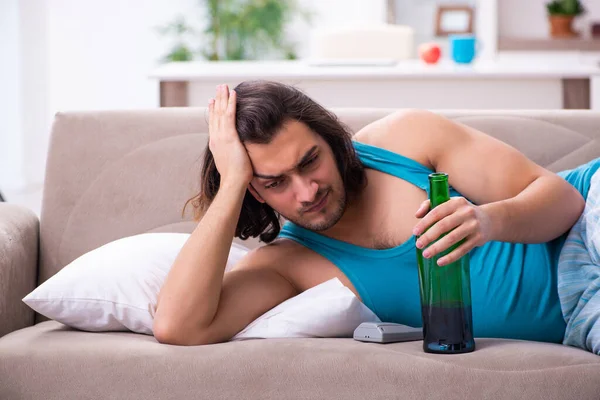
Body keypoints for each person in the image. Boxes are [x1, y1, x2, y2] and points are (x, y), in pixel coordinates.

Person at [153, 80, 599, 348]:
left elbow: (564, 202)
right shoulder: (288, 265)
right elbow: (179, 326)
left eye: (311, 161)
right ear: (255, 190)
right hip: (581, 312)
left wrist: (489, 221)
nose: (306, 192)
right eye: (275, 182)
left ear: (331, 140)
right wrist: (232, 182)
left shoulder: (403, 138)